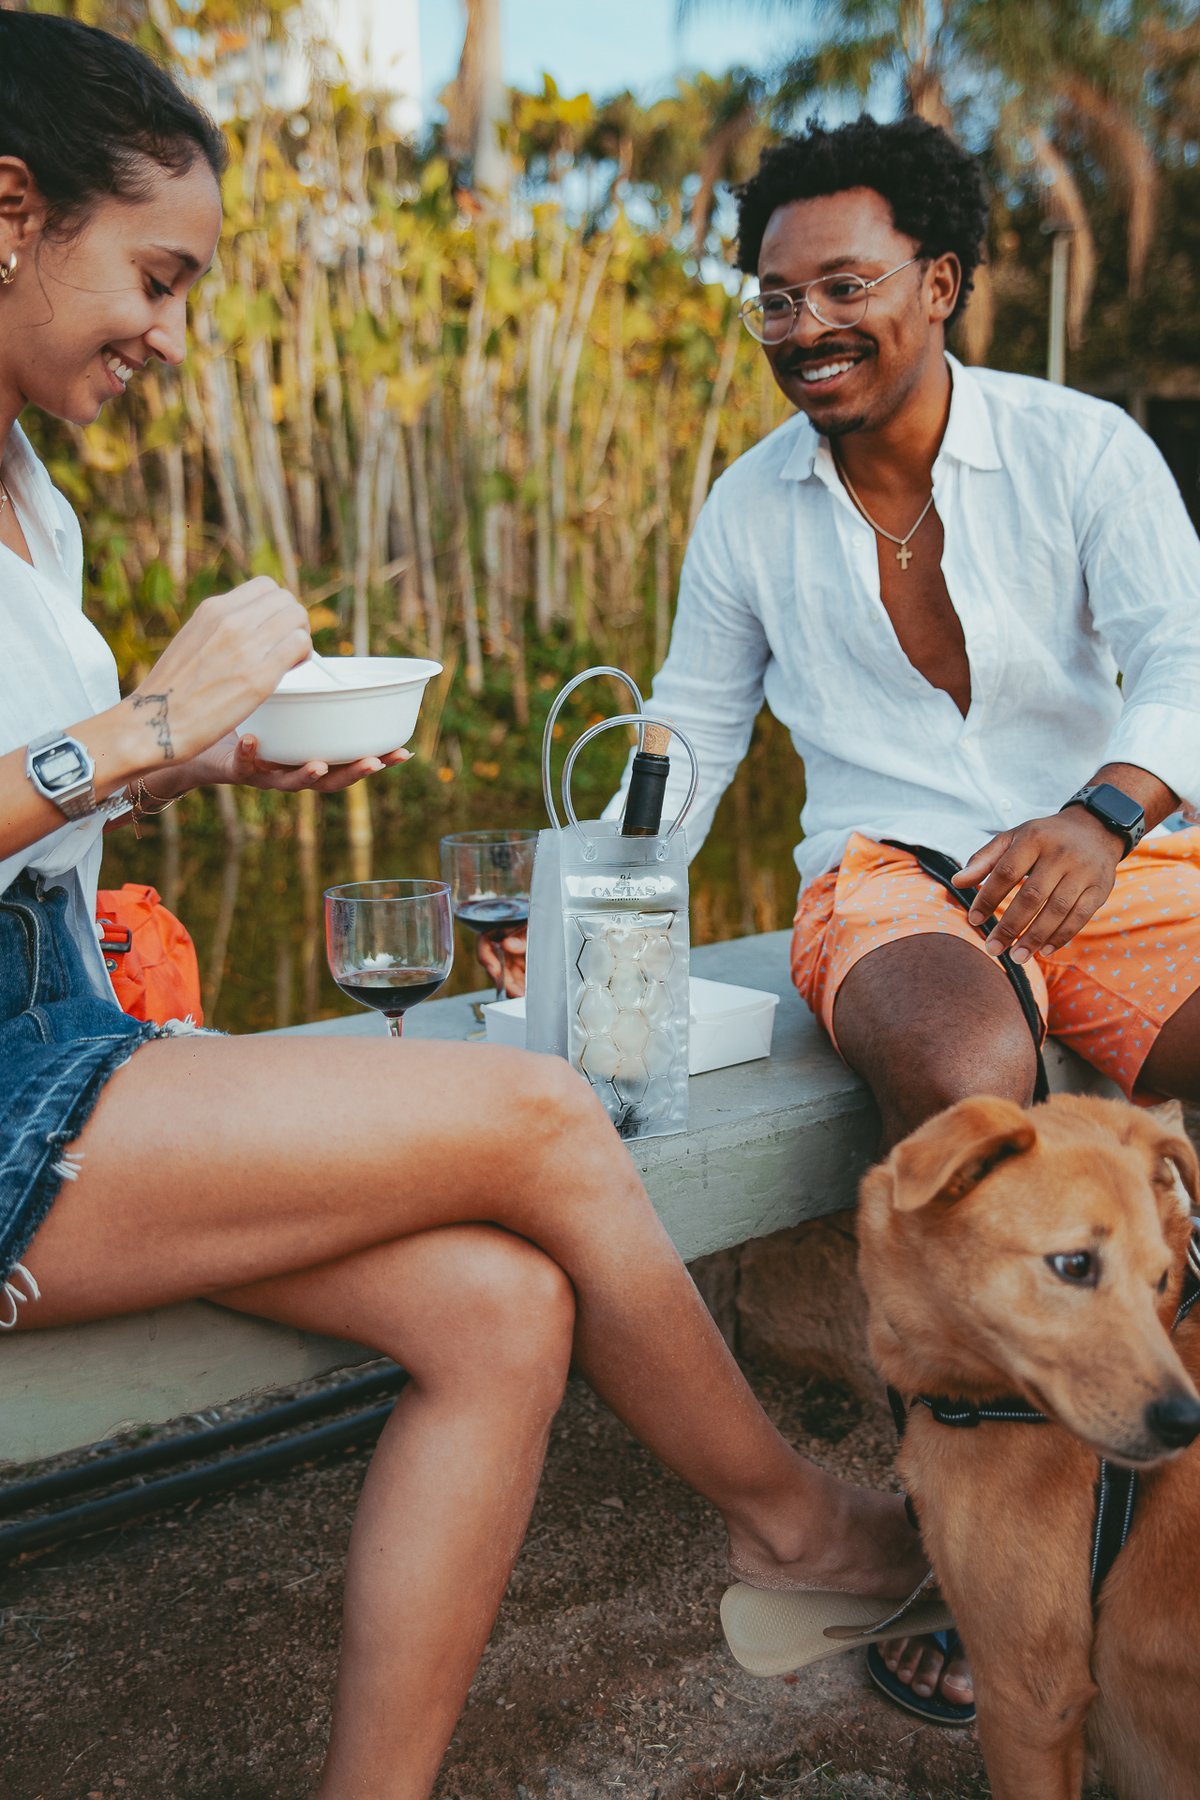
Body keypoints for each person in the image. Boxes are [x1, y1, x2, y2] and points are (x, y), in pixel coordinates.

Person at [0, 19, 934, 1797]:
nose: (169, 333)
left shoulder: (27, 488)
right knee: (536, 1104)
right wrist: (141, 725)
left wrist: (187, 771)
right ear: (11, 209)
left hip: (57, 1024)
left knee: (500, 1311)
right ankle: (798, 1528)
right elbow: (65, 753)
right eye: (157, 274)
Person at [561, 114, 1198, 1722]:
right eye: (772, 299)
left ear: (941, 282)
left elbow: (1189, 659)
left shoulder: (1080, 447)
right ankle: (975, 1539)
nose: (802, 328)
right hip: (886, 870)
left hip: (1112, 847)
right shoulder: (750, 508)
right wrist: (589, 897)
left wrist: (1105, 812)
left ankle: (1165, 1505)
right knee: (968, 1059)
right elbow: (693, 736)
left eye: (841, 286)